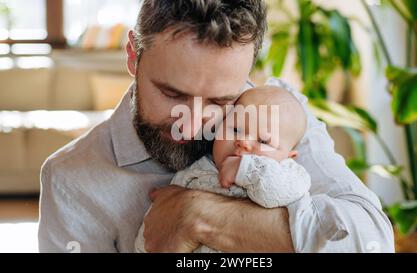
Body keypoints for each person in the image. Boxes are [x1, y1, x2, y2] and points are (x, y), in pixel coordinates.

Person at [38, 0, 395, 253]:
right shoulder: (70, 179)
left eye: (220, 101)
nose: (193, 124)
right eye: (172, 93)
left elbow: (373, 241)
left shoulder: (278, 116)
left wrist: (199, 217)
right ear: (133, 55)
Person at [135, 86, 312, 253]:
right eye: (235, 129)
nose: (243, 141)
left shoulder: (289, 174)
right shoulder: (196, 170)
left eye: (264, 141)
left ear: (289, 156)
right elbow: (158, 226)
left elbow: (280, 193)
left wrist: (244, 169)